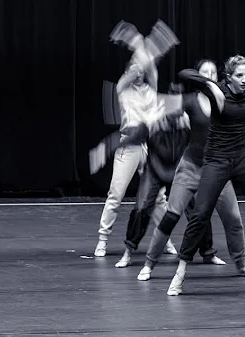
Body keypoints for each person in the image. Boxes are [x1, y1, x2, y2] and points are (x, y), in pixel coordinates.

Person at [166, 53, 245, 296]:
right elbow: (184, 74)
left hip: (243, 156)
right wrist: (207, 83)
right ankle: (181, 272)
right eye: (239, 76)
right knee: (201, 214)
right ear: (229, 77)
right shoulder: (217, 91)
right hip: (216, 159)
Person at [135, 59, 245, 281]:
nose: (209, 75)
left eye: (213, 71)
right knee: (171, 216)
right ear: (198, 77)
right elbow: (161, 107)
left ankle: (242, 263)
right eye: (204, 72)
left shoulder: (228, 101)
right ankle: (149, 264)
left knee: (233, 219)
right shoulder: (191, 100)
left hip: (218, 169)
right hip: (191, 167)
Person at [93, 20, 179, 259]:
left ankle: (166, 240)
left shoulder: (151, 88)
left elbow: (150, 67)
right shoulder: (124, 89)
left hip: (150, 146)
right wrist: (137, 45)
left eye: (141, 68)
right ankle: (102, 238)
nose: (138, 70)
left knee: (159, 198)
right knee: (116, 194)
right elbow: (127, 77)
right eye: (134, 68)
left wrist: (141, 45)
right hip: (129, 145)